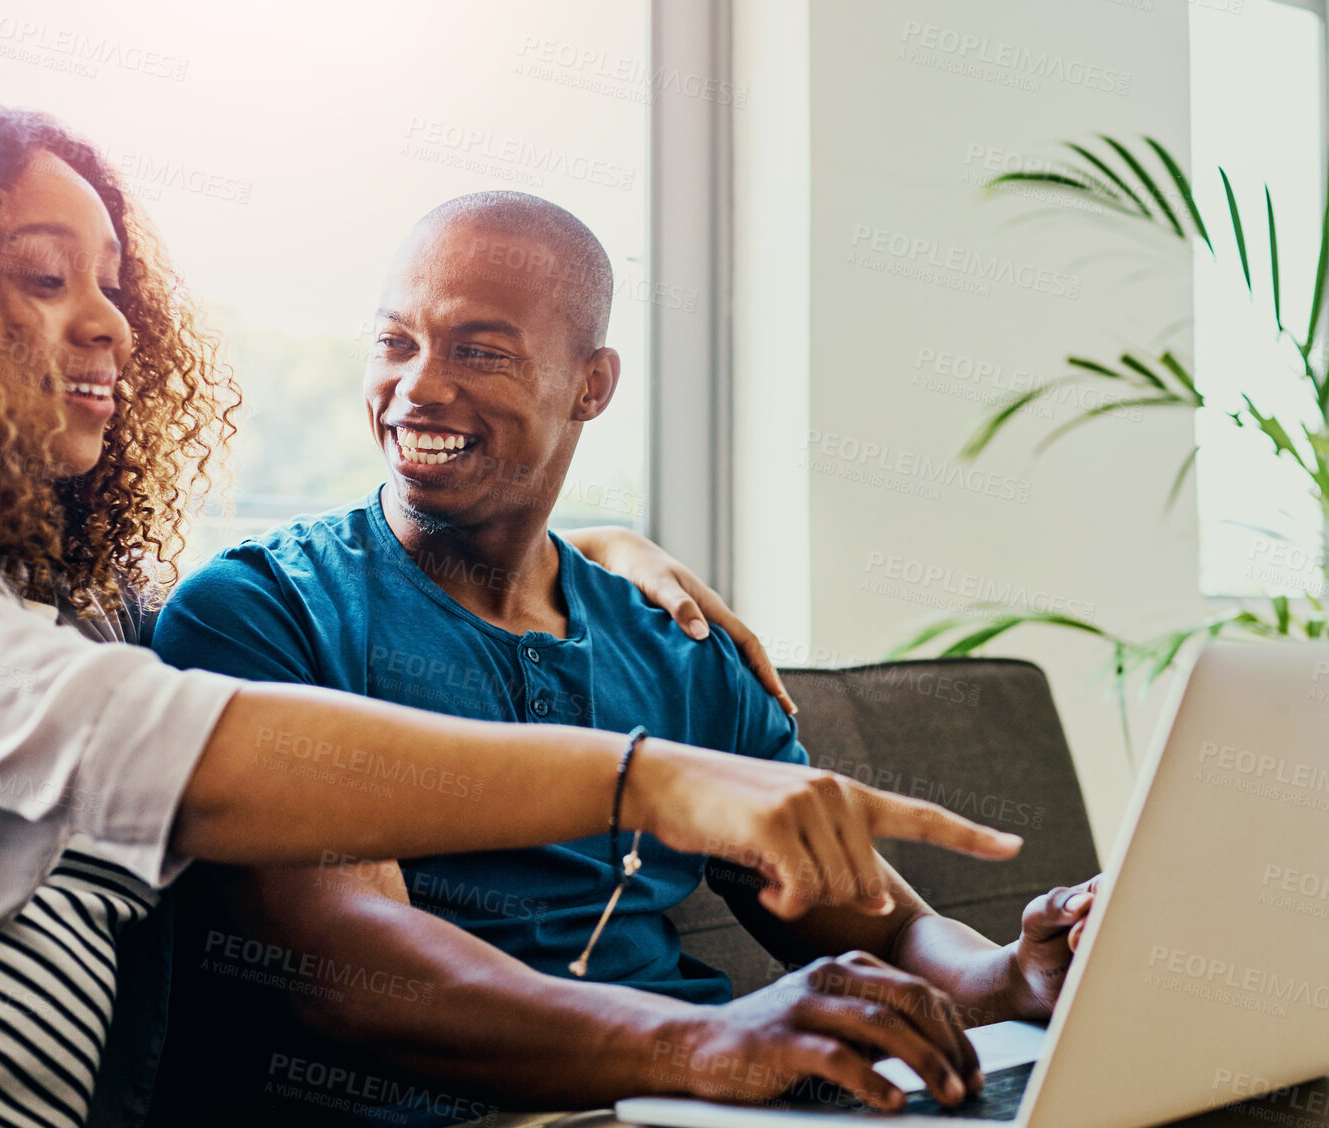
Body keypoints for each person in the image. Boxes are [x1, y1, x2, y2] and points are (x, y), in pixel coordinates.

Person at [0, 85, 1019, 1128]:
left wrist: (612, 554)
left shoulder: (35, 600)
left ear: (590, 386)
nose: (114, 322)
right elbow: (159, 748)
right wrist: (650, 779)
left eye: (112, 282)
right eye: (38, 277)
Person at [150, 192, 1100, 1126]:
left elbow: (878, 923)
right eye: (395, 342)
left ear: (591, 385)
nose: (418, 387)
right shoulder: (259, 613)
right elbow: (346, 966)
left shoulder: (673, 641)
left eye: (478, 351)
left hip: (695, 1102)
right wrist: (706, 1043)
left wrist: (1011, 976)